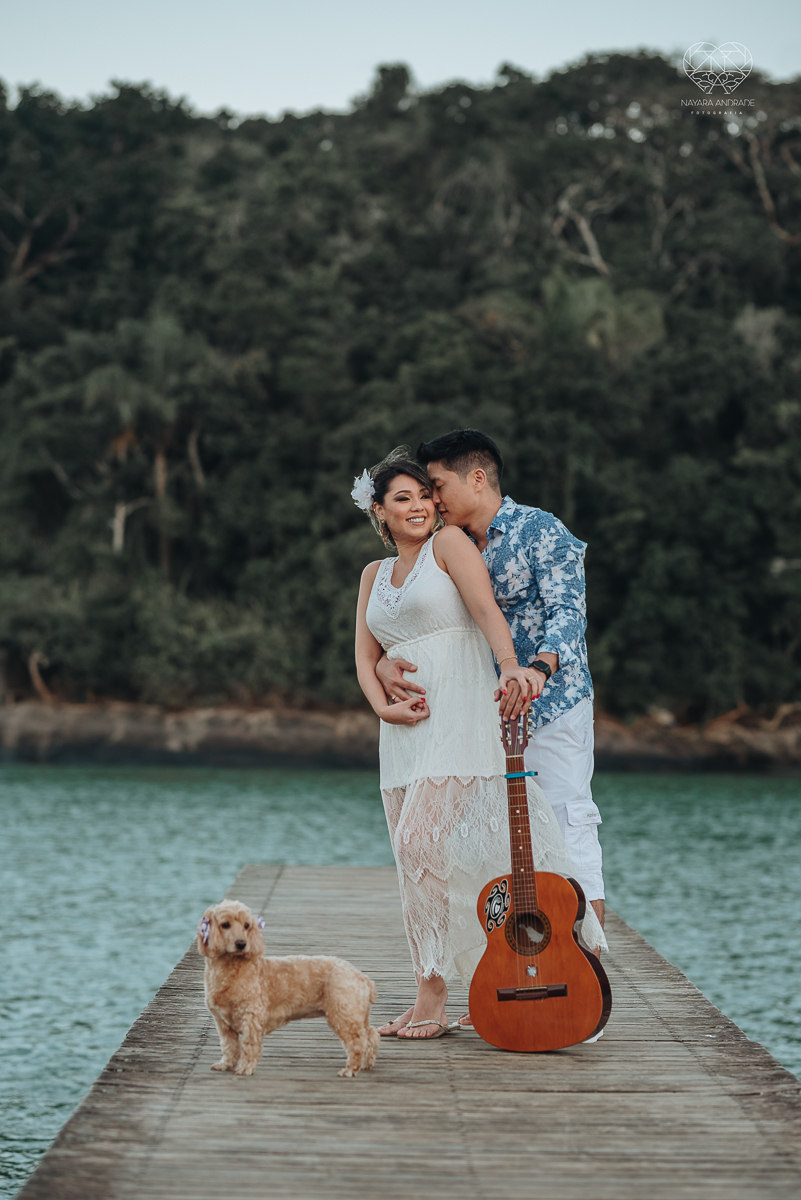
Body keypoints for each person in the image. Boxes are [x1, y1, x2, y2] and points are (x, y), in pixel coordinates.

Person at [354, 448, 605, 1040]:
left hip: (488, 711)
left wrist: (521, 667)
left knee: (444, 840)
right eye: (407, 497)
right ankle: (462, 985)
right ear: (380, 513)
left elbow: (498, 612)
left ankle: (553, 973)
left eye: (428, 491)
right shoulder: (374, 573)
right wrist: (382, 694)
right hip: (410, 732)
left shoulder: (465, 542)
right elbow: (366, 654)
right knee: (426, 856)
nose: (424, 504)